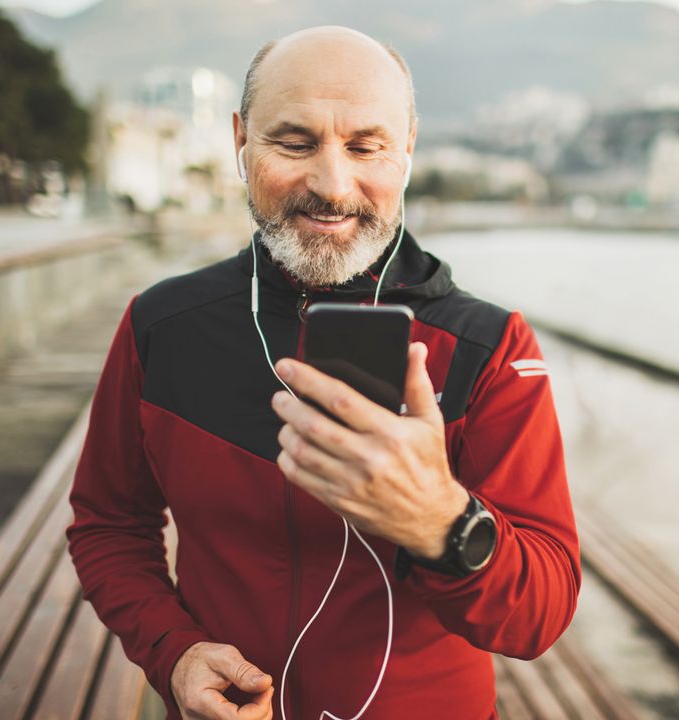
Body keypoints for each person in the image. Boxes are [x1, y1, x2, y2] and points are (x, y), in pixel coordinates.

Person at [66, 26, 579, 720]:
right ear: (241, 140)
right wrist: (174, 652)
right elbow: (109, 525)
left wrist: (443, 521)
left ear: (407, 150)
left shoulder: (489, 347)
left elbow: (539, 617)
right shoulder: (161, 327)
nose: (332, 187)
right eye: (295, 142)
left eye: (366, 146)